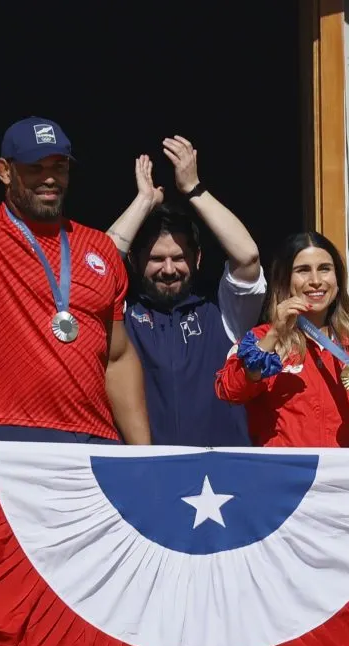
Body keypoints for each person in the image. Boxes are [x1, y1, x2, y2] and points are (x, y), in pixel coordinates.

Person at [0, 8, 153, 444]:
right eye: (35, 168)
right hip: (10, 433)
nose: (49, 178)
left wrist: (144, 457)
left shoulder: (99, 248)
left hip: (95, 441)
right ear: (5, 171)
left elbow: (118, 357)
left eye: (59, 166)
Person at [106, 139, 266, 446]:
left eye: (179, 258)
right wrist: (143, 202)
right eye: (156, 259)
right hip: (143, 478)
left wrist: (194, 189)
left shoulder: (225, 313)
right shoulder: (120, 316)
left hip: (220, 483)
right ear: (134, 262)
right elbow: (93, 271)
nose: (169, 269)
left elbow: (247, 258)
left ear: (198, 259)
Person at [214, 232, 349, 448]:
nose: (316, 281)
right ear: (285, 280)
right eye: (303, 270)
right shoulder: (260, 339)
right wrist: (275, 333)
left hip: (339, 480)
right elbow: (229, 390)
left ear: (338, 280)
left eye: (325, 269)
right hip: (284, 477)